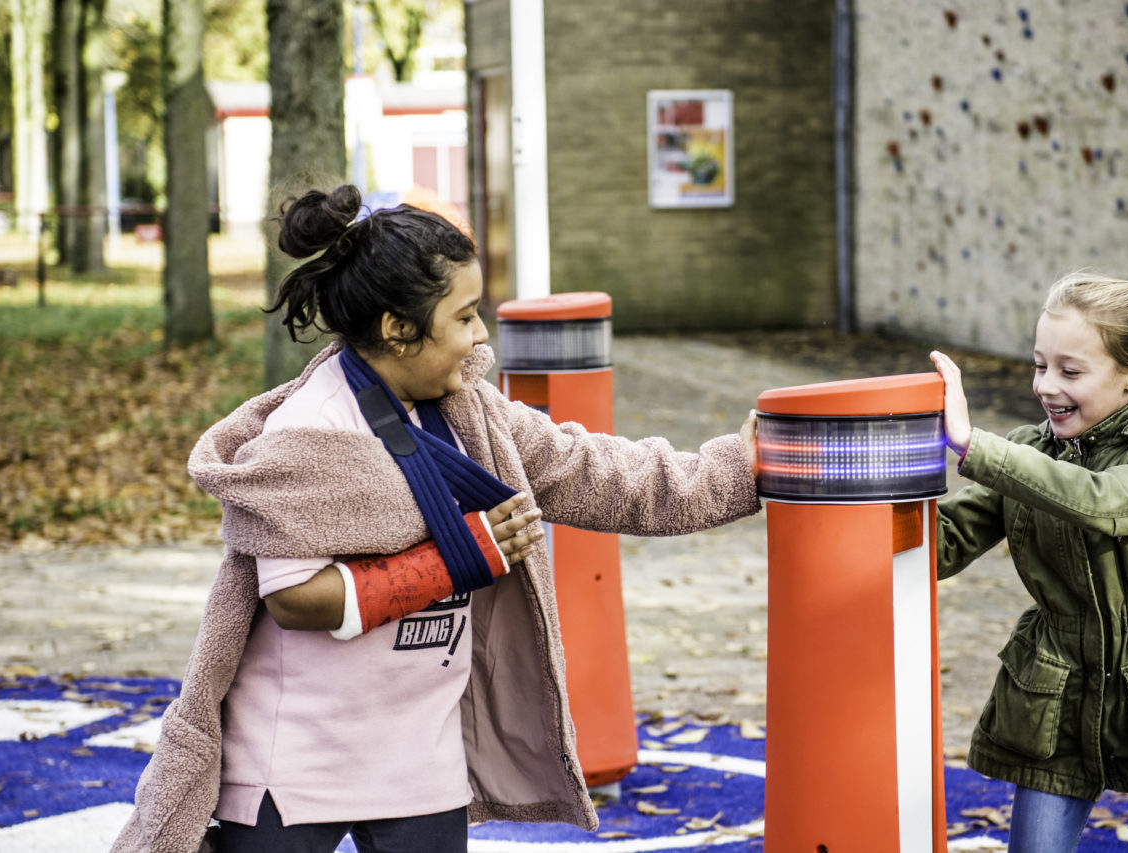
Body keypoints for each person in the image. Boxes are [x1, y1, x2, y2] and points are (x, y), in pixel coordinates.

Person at [111, 185, 761, 853]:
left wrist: (739, 471)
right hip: (296, 761)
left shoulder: (469, 412)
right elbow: (294, 598)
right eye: (465, 316)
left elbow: (595, 470)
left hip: (419, 759)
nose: (481, 335)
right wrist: (453, 561)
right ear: (398, 328)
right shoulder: (311, 432)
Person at [929, 272, 1128, 853]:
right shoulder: (1031, 450)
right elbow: (944, 542)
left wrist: (973, 445)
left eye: (1070, 370)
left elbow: (1104, 502)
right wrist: (864, 479)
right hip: (1054, 686)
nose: (1046, 386)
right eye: (1039, 365)